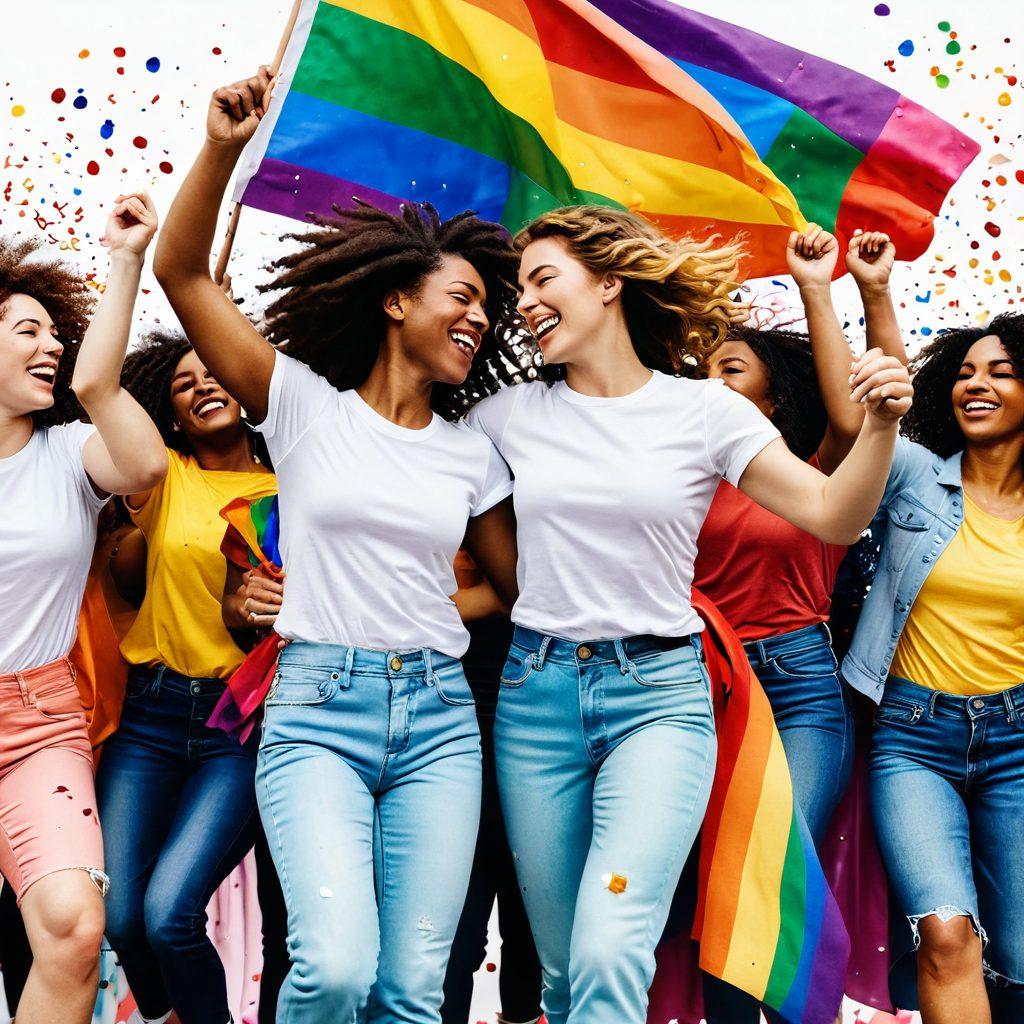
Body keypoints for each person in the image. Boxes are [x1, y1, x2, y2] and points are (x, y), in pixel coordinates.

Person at [465, 205, 913, 1024]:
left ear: (609, 282)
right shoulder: (502, 419)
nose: (523, 302)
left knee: (611, 953)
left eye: (541, 278)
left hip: (660, 700)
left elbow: (832, 516)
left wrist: (882, 424)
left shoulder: (704, 413)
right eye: (517, 288)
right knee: (565, 976)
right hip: (535, 701)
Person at [153, 67, 521, 1024]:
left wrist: (440, 608)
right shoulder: (304, 408)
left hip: (441, 722)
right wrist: (223, 148)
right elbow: (182, 275)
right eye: (462, 295)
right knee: (336, 969)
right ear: (396, 301)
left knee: (411, 994)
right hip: (317, 711)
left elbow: (520, 588)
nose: (480, 317)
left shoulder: (472, 453)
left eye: (488, 304)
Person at [0, 194, 167, 1024]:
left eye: (53, 330)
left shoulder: (70, 454)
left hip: (38, 723)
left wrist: (126, 261)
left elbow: (143, 465)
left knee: (73, 928)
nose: (50, 342)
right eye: (26, 329)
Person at [843, 313, 1024, 1024]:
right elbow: (863, 404)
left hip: (1017, 742)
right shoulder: (916, 475)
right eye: (965, 372)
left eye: (1000, 371)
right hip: (913, 740)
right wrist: (873, 289)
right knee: (945, 935)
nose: (974, 384)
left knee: (1017, 956)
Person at [95, 328, 276, 1024]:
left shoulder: (299, 483)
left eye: (216, 371)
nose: (204, 384)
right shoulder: (163, 474)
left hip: (242, 725)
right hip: (152, 715)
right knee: (119, 915)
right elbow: (104, 400)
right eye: (184, 382)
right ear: (169, 416)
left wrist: (258, 606)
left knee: (171, 914)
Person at [442, 551, 543, 1024]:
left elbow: (518, 590)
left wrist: (410, 607)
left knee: (531, 930)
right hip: (452, 718)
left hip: (543, 712)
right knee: (456, 933)